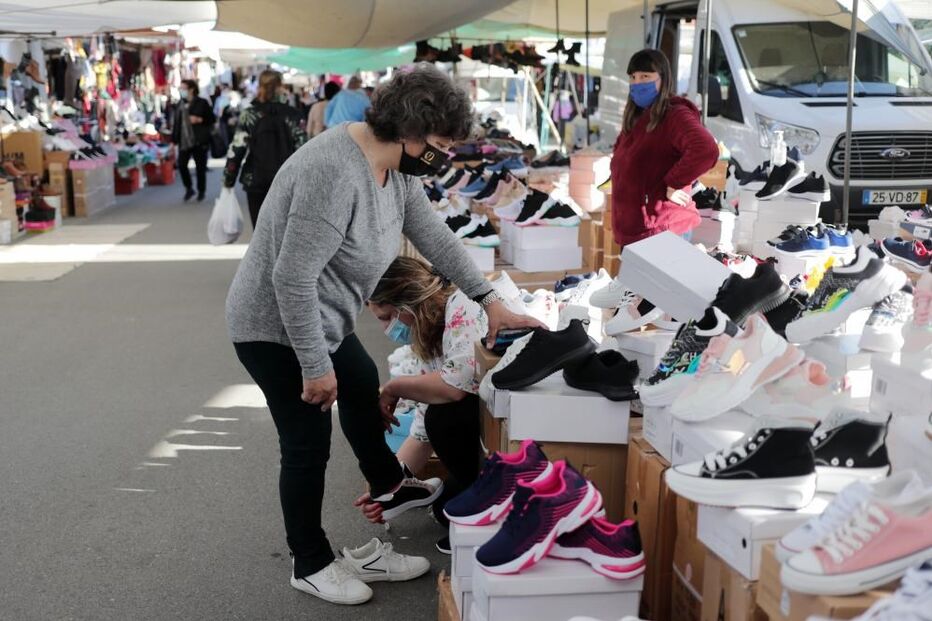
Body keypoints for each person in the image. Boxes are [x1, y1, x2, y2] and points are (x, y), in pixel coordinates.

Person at [225, 64, 541, 606]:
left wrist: (491, 301)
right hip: (275, 324)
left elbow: (433, 236)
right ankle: (310, 560)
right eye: (441, 144)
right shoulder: (334, 171)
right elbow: (290, 277)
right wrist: (313, 365)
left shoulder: (396, 169)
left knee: (362, 375)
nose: (444, 155)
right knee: (306, 442)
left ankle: (391, 487)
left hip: (323, 315)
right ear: (412, 131)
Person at [361, 257, 487, 553]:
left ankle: (486, 505)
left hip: (498, 421)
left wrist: (394, 387)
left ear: (406, 305)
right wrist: (390, 485)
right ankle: (477, 494)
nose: (385, 328)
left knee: (444, 418)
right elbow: (421, 430)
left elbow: (455, 387)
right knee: (445, 507)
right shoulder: (431, 330)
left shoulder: (463, 308)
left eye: (385, 317)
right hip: (485, 418)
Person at [610, 49, 719, 248]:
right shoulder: (636, 118)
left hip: (661, 229)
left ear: (663, 79)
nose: (637, 83)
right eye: (633, 77)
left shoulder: (674, 114)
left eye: (645, 76)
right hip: (637, 231)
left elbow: (705, 148)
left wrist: (675, 183)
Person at [223, 70, 307, 228]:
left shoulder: (249, 114)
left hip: (255, 180)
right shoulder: (294, 115)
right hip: (287, 182)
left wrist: (228, 180)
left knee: (260, 233)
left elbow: (237, 149)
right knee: (284, 233)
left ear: (260, 86)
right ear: (281, 86)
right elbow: (303, 151)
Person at [172, 79, 215, 202]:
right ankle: (189, 188)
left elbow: (211, 119)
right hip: (184, 141)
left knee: (200, 167)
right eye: (180, 88)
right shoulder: (180, 104)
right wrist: (174, 140)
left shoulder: (202, 102)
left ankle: (201, 191)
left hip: (199, 139)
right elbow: (177, 124)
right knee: (182, 165)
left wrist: (199, 120)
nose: (181, 91)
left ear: (191, 89)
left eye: (184, 88)